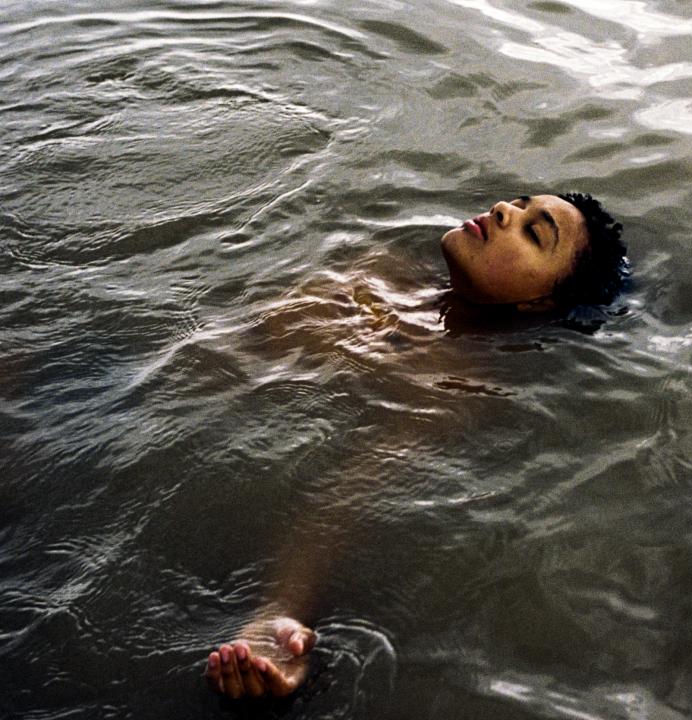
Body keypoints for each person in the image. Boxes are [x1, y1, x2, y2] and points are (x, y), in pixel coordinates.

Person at [203, 192, 625, 699]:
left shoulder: (455, 387)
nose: (502, 211)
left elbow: (348, 495)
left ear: (540, 302)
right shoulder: (383, 270)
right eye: (517, 201)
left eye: (534, 233)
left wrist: (277, 611)